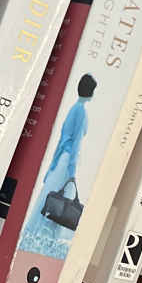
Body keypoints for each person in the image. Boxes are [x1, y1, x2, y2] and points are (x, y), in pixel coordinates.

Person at [42, 74, 96, 202]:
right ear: (90, 91)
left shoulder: (73, 108)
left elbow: (62, 140)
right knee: (60, 204)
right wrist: (72, 172)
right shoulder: (81, 112)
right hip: (68, 162)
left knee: (50, 200)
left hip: (62, 159)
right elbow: (76, 143)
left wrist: (51, 167)